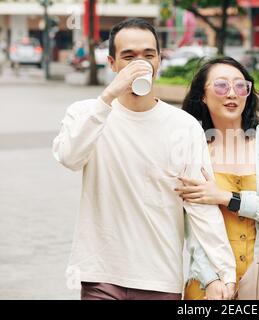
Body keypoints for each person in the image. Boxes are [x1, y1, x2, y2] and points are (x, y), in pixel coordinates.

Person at [52, 18, 236, 300]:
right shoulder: (87, 113)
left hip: (159, 278)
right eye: (129, 57)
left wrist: (225, 272)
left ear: (159, 60)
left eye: (148, 55)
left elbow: (199, 204)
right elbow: (69, 158)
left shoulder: (184, 127)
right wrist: (108, 97)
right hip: (100, 273)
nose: (141, 63)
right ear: (112, 63)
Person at [180, 57, 259, 300]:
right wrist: (211, 279)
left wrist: (226, 198)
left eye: (241, 86)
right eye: (221, 85)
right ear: (202, 95)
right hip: (207, 286)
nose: (232, 93)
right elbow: (189, 226)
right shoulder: (192, 150)